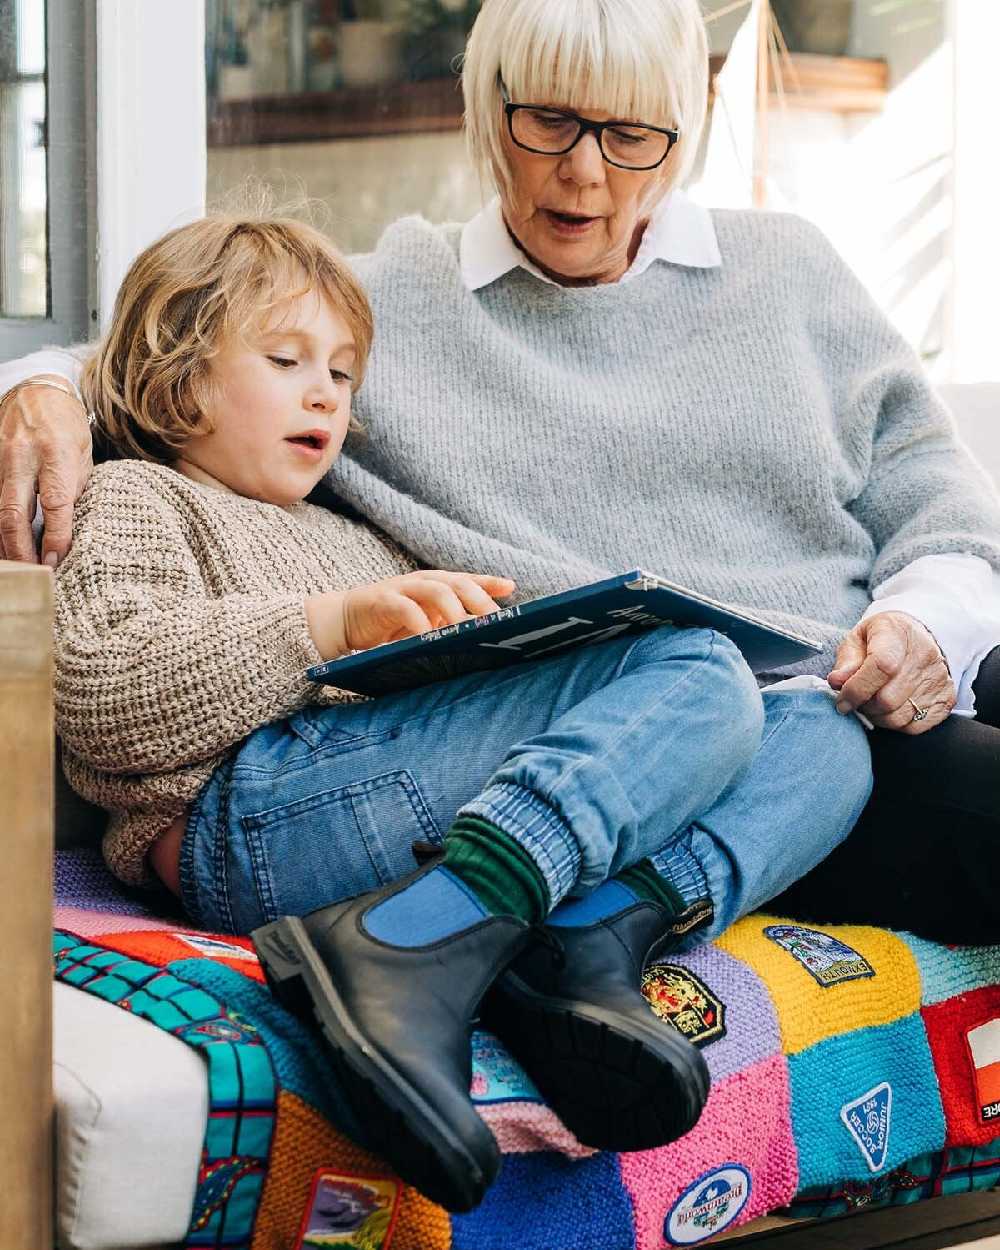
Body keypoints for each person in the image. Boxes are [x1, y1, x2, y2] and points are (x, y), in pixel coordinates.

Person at [2, 0, 999, 1116]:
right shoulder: (381, 313)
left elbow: (944, 504)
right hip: (658, 714)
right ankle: (450, 926)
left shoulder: (789, 270)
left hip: (836, 676)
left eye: (632, 135)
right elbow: (152, 363)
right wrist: (33, 384)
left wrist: (928, 620)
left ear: (688, 125)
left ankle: (567, 935)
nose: (584, 173)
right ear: (486, 112)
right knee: (773, 700)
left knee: (844, 721)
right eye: (548, 124)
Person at [48, 212, 871, 1210]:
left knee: (824, 731)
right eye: (285, 357)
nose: (324, 390)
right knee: (694, 667)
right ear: (174, 379)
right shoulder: (137, 495)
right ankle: (423, 933)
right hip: (245, 821)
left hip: (386, 806)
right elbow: (100, 687)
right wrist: (323, 626)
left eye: (343, 373)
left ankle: (580, 932)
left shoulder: (353, 530)